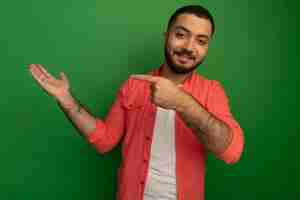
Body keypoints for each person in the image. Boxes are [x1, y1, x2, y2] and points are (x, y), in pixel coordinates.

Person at [29, 5, 244, 200]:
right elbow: (104, 140)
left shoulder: (212, 91)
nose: (189, 47)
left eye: (201, 41)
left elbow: (231, 151)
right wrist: (66, 100)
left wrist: (181, 102)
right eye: (181, 35)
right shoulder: (133, 86)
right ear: (166, 36)